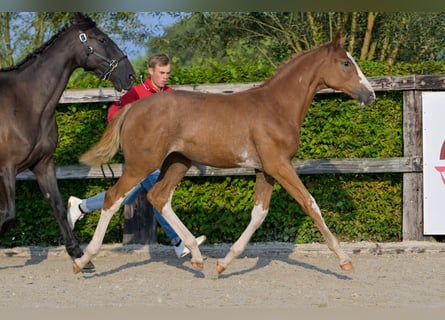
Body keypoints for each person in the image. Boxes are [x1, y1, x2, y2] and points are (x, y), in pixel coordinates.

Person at [67, 53, 206, 258]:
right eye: (161, 72)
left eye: (168, 73)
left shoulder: (170, 95)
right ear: (151, 71)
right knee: (156, 189)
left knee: (126, 195)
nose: (165, 77)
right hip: (142, 155)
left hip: (162, 156)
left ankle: (81, 205)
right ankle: (178, 240)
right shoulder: (136, 93)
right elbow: (114, 113)